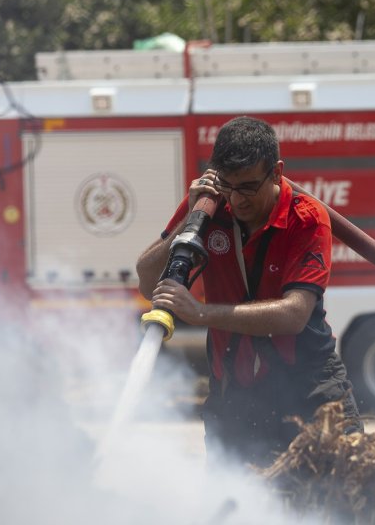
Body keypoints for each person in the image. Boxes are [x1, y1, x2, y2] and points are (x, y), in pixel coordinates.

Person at [136, 115, 362, 468]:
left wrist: (200, 313)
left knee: (345, 493)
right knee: (234, 496)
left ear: (276, 173)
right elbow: (148, 282)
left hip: (309, 389)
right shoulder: (209, 204)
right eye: (228, 186)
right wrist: (190, 218)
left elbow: (294, 314)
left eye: (248, 187)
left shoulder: (306, 218)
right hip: (234, 393)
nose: (237, 200)